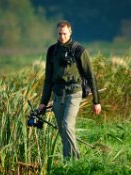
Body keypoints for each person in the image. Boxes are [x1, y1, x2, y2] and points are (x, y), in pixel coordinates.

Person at [38, 20, 101, 159]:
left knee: (67, 125)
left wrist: (97, 101)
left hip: (74, 93)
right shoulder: (52, 50)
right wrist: (43, 102)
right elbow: (48, 78)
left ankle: (76, 160)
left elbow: (91, 76)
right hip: (57, 94)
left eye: (64, 34)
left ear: (70, 32)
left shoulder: (79, 50)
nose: (62, 37)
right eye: (60, 34)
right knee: (62, 130)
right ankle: (68, 162)